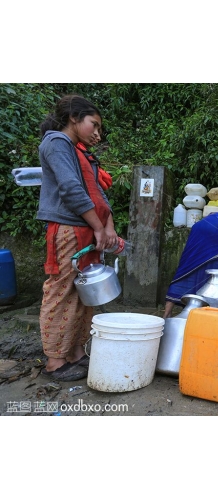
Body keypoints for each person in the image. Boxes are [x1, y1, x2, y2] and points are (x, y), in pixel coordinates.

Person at [36, 94, 119, 381]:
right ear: (74, 118)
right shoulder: (57, 143)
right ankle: (55, 362)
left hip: (84, 229)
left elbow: (96, 191)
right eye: (93, 124)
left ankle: (75, 353)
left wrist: (108, 227)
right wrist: (99, 227)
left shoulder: (77, 150)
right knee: (62, 293)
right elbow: (72, 190)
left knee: (84, 295)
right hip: (70, 229)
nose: (97, 132)